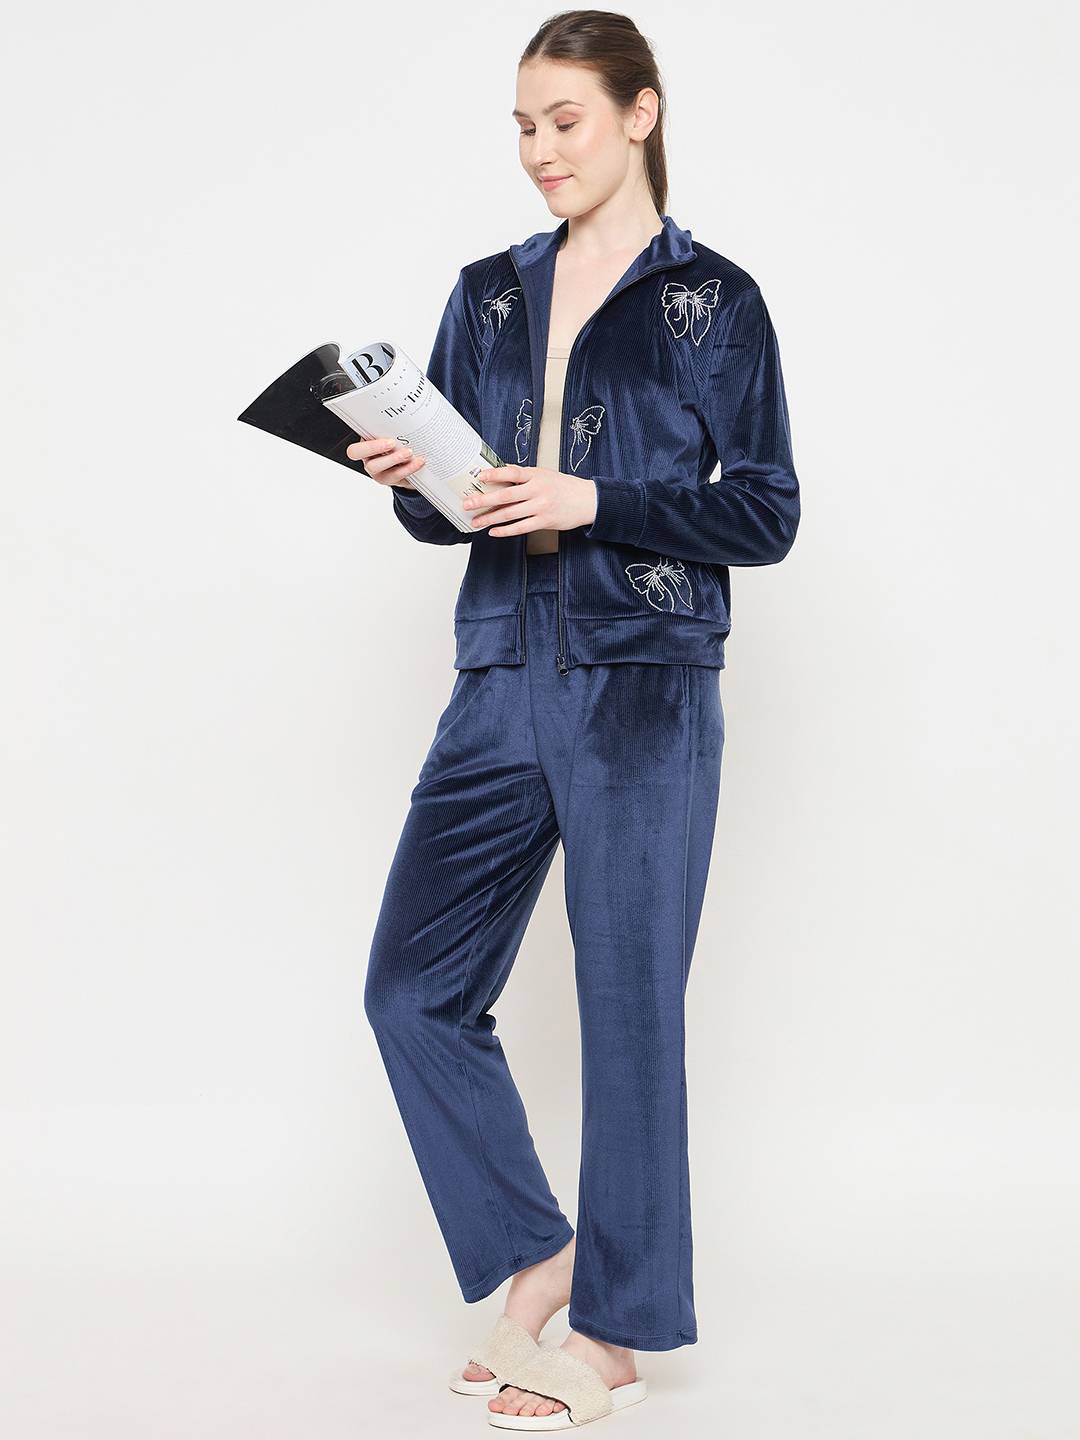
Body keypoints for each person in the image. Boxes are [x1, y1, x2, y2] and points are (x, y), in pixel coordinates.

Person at [349, 11, 800, 1429]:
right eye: (524, 126)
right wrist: (415, 483)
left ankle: (615, 1332)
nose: (541, 149)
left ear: (640, 114)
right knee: (412, 989)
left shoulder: (712, 300)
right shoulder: (486, 295)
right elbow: (458, 510)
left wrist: (594, 500)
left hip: (644, 684)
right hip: (500, 666)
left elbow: (766, 511)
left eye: (566, 120)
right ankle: (537, 1251)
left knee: (628, 1007)